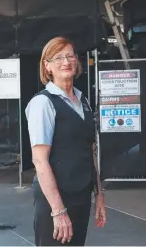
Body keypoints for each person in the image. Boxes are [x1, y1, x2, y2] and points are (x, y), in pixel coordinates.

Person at [25, 36, 106, 246]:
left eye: (70, 55)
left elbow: (90, 150)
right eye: (58, 57)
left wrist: (99, 195)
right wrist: (58, 210)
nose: (66, 61)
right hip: (56, 198)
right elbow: (40, 161)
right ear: (47, 66)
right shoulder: (43, 103)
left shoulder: (83, 100)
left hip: (81, 194)